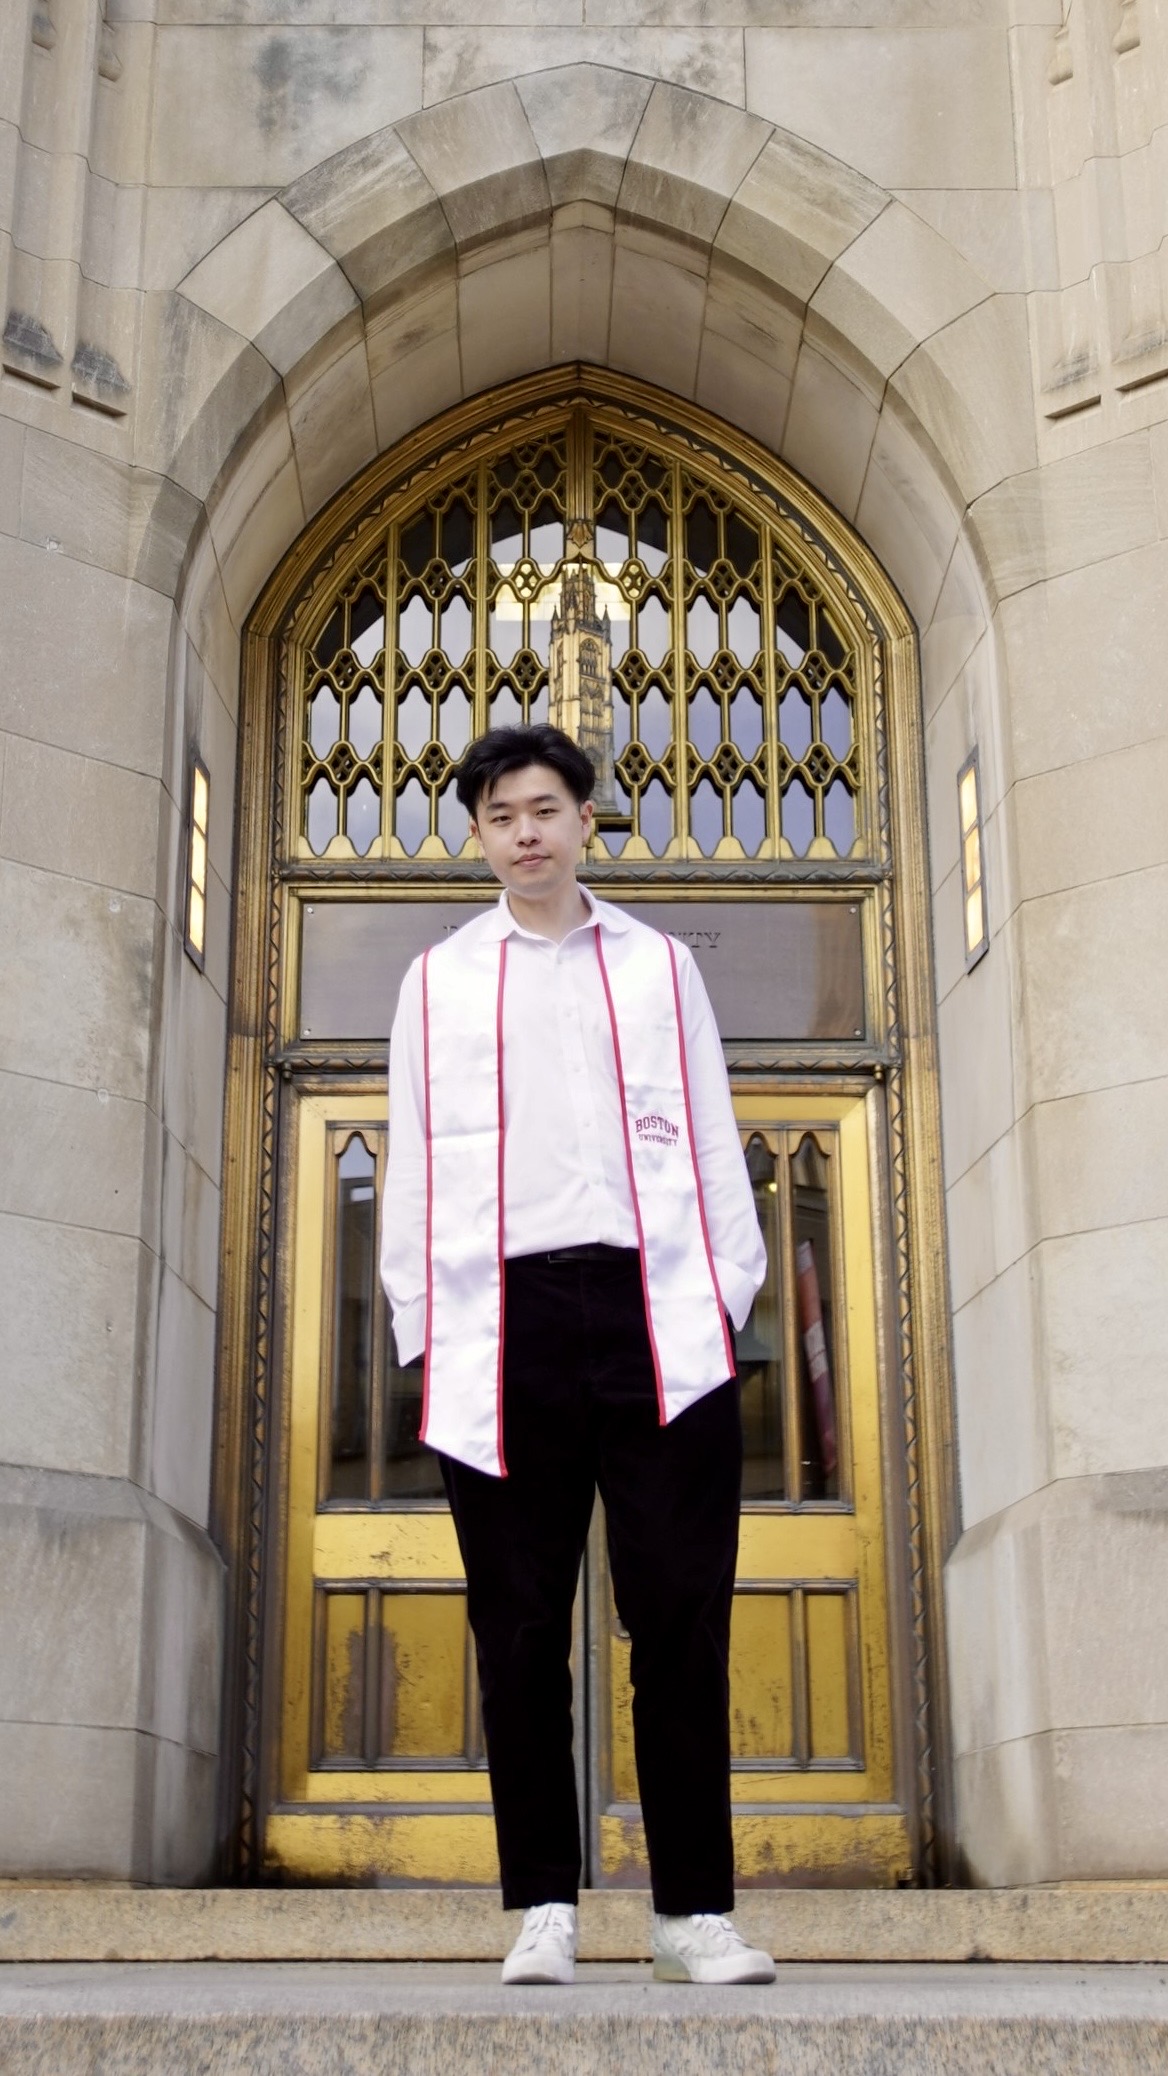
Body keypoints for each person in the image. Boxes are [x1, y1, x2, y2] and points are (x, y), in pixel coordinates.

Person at [380, 722, 774, 1987]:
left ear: (584, 820)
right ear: (478, 835)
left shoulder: (658, 966)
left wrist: (725, 1294)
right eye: (501, 816)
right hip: (501, 1319)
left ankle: (691, 1915)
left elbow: (710, 1129)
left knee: (680, 1622)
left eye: (544, 809)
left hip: (657, 1312)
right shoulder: (438, 981)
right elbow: (411, 1156)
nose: (526, 834)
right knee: (517, 1629)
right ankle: (542, 1905)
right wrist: (424, 1326)